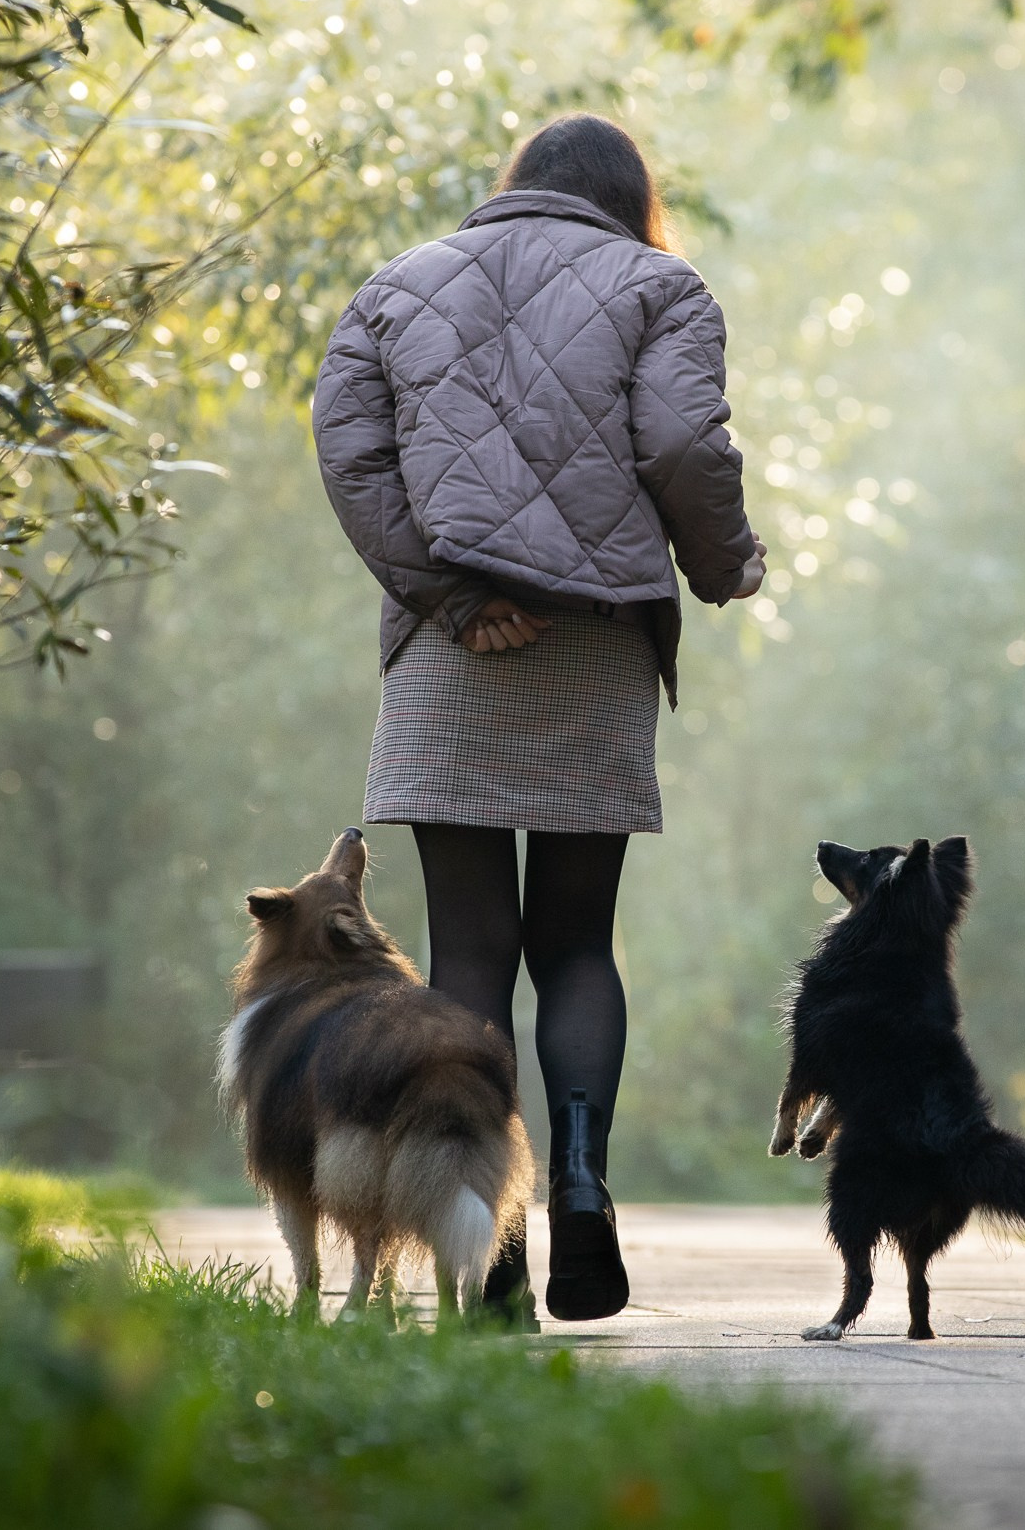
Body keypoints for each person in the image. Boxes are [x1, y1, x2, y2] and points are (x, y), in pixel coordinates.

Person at [311, 114, 764, 1325]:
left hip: (450, 654)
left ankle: (488, 1244)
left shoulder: (398, 286)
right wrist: (725, 565)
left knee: (469, 952)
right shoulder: (661, 284)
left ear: (515, 185)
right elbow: (679, 439)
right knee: (576, 941)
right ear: (629, 197)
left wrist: (453, 595)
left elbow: (351, 454)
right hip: (594, 640)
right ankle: (577, 1183)